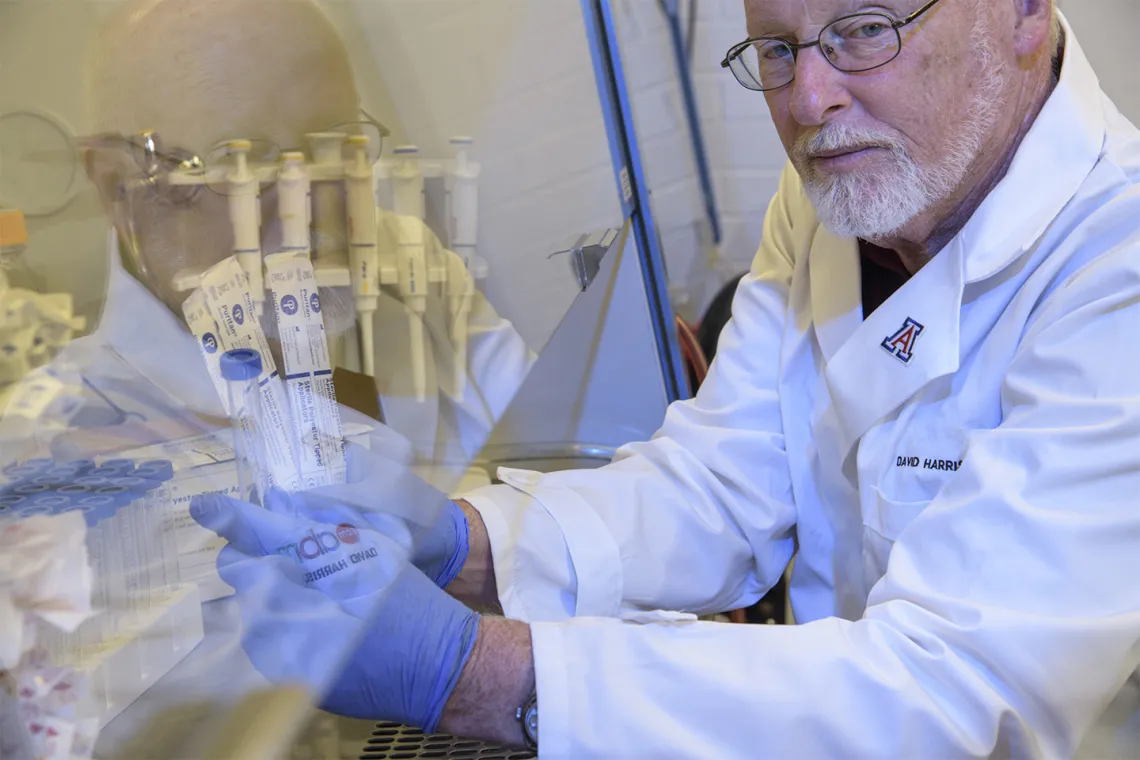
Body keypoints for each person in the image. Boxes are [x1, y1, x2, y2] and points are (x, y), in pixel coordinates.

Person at [195, 0, 1140, 757]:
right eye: (775, 50)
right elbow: (723, 479)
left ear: (1022, 12)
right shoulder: (833, 194)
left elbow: (952, 695)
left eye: (864, 31)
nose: (810, 100)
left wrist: (471, 672)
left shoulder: (1117, 264)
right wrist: (462, 539)